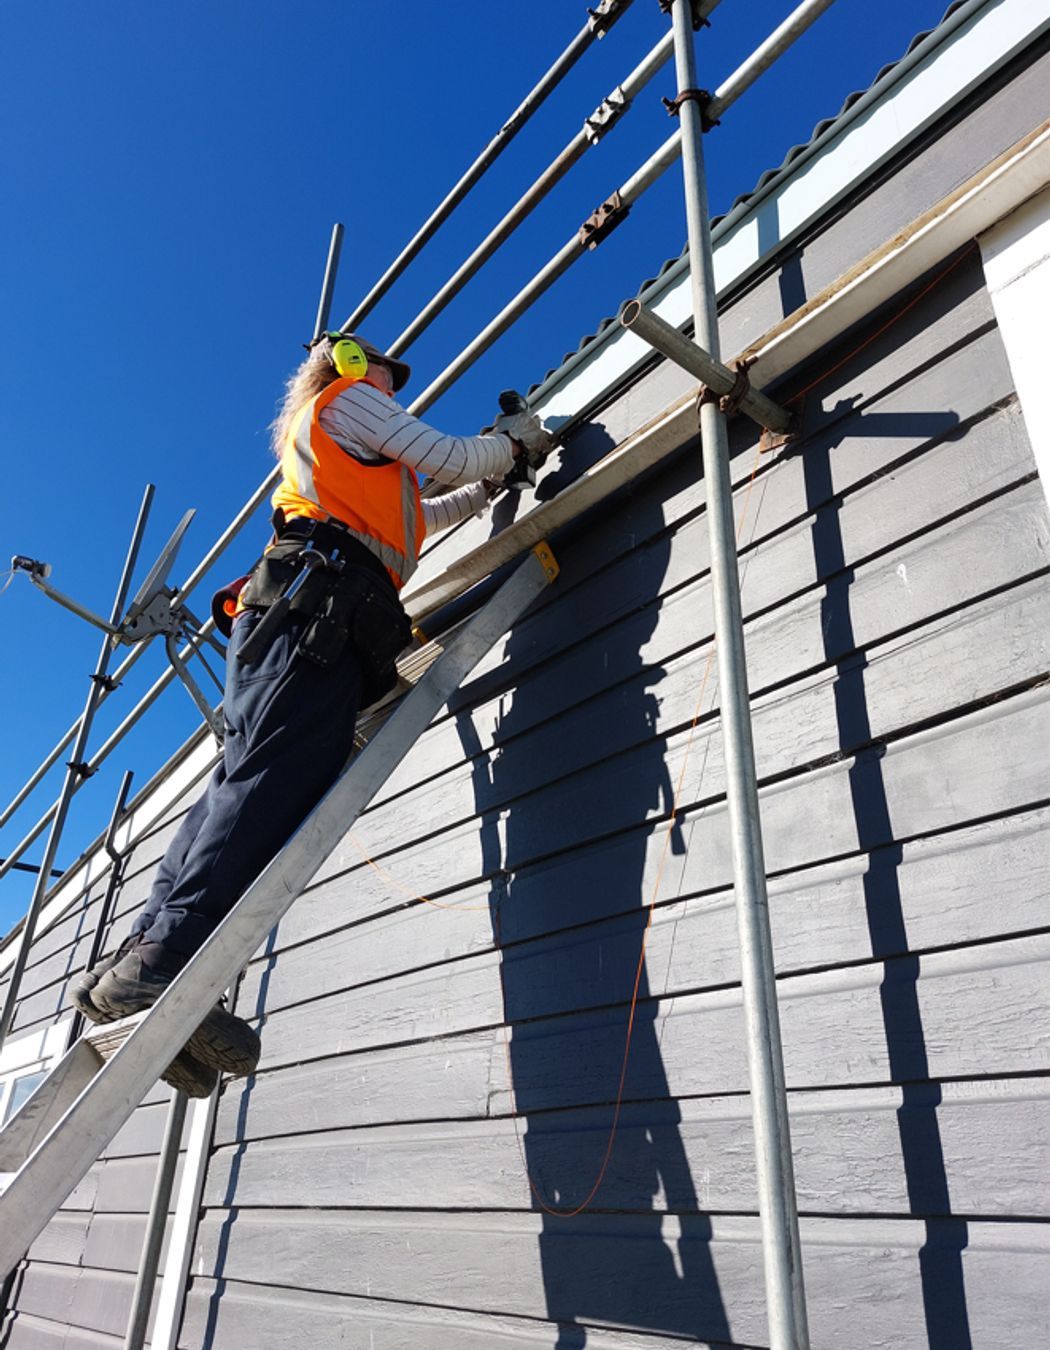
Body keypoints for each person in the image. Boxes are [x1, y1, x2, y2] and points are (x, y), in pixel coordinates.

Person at [71, 332, 551, 1097]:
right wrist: (508, 442)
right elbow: (455, 459)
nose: (397, 389)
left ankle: (138, 962)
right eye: (392, 376)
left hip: (306, 609)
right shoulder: (350, 401)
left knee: (243, 782)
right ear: (356, 368)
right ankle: (159, 964)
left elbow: (431, 506)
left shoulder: (359, 457)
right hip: (316, 607)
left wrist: (501, 475)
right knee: (266, 785)